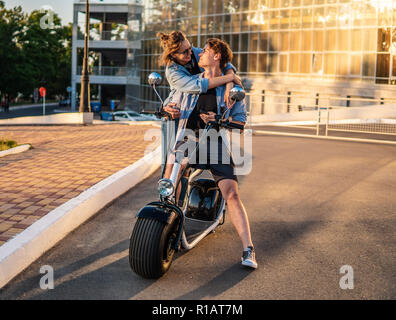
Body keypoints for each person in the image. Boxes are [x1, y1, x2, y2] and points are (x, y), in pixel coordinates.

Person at [164, 37, 258, 269]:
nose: (199, 54)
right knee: (172, 179)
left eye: (205, 51)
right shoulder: (190, 81)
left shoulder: (233, 91)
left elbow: (240, 122)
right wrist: (168, 109)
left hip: (214, 142)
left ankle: (248, 249)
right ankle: (165, 226)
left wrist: (220, 119)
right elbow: (169, 102)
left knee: (232, 194)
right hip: (187, 138)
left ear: (216, 57)